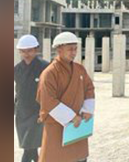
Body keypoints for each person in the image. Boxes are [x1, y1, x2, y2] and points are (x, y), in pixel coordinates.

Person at [37, 32, 95, 162]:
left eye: (75, 49)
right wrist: (70, 117)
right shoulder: (49, 73)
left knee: (79, 157)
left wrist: (87, 109)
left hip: (78, 122)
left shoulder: (80, 69)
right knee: (56, 157)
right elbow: (48, 100)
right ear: (59, 49)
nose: (73, 53)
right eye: (70, 49)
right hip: (57, 124)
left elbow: (89, 89)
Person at [14, 35, 47, 162]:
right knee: (29, 148)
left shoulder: (45, 67)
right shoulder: (17, 69)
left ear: (36, 50)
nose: (26, 54)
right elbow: (18, 91)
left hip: (37, 112)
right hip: (22, 113)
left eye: (29, 50)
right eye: (23, 51)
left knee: (30, 147)